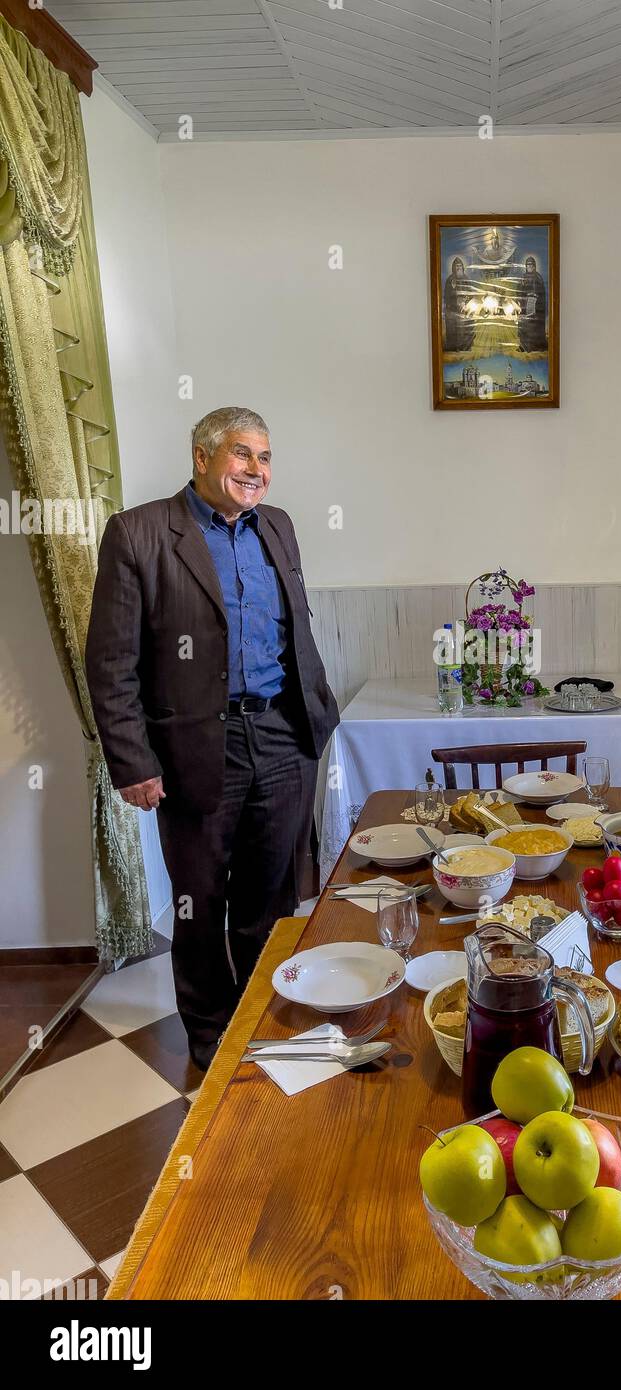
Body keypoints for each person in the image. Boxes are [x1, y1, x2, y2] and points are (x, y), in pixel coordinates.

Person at [86, 407, 339, 1070]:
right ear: (201, 458)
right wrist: (131, 760)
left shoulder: (277, 527)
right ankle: (209, 1033)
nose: (257, 470)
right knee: (201, 901)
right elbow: (110, 661)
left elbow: (293, 628)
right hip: (196, 749)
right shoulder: (138, 534)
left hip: (283, 736)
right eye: (241, 455)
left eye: (265, 457)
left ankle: (265, 1011)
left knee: (273, 894)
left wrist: (315, 714)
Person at [517, 254, 547, 352]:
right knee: (523, 325)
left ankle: (533, 346)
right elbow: (518, 291)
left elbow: (541, 293)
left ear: (534, 267)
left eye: (531, 266)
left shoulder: (538, 278)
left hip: (535, 309)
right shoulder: (523, 278)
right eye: (527, 266)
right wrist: (520, 299)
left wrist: (534, 299)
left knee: (532, 327)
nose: (529, 268)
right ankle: (523, 346)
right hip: (524, 306)